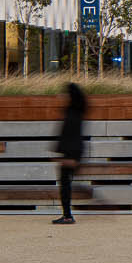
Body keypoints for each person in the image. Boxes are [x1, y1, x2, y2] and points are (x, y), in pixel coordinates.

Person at [52, 81, 87, 224]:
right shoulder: (73, 111)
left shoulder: (73, 113)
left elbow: (72, 135)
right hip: (70, 153)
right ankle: (67, 214)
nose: (61, 96)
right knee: (66, 185)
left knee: (66, 186)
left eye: (65, 94)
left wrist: (72, 157)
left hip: (71, 154)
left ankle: (67, 215)